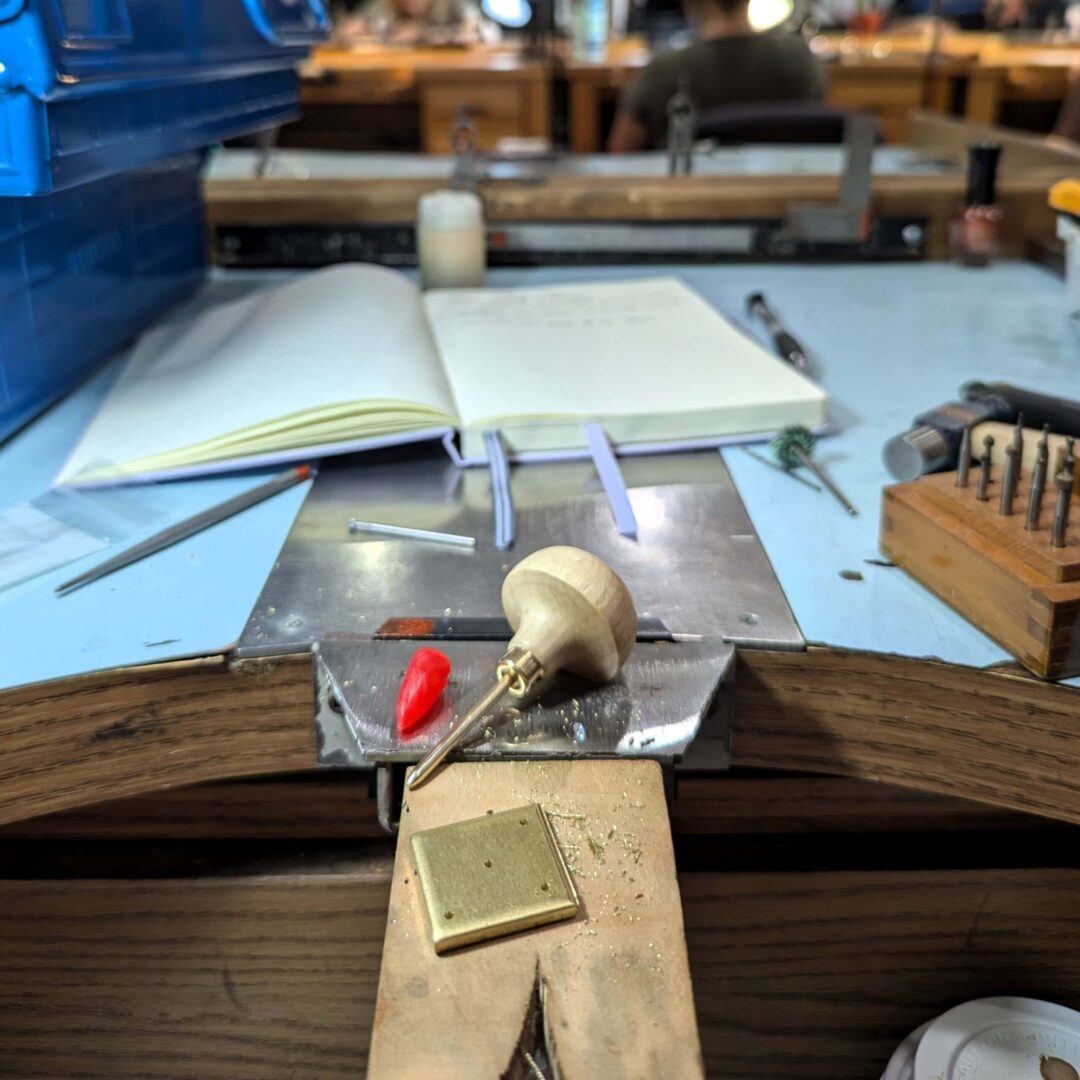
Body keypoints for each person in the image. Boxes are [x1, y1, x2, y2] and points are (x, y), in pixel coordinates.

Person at [607, 0, 825, 152]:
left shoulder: (664, 71)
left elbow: (620, 155)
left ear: (691, 5)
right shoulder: (801, 61)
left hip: (689, 207)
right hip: (783, 204)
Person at [333, 0, 498, 45]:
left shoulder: (452, 4)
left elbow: (489, 32)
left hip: (447, 81)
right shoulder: (382, 5)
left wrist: (424, 35)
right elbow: (343, 33)